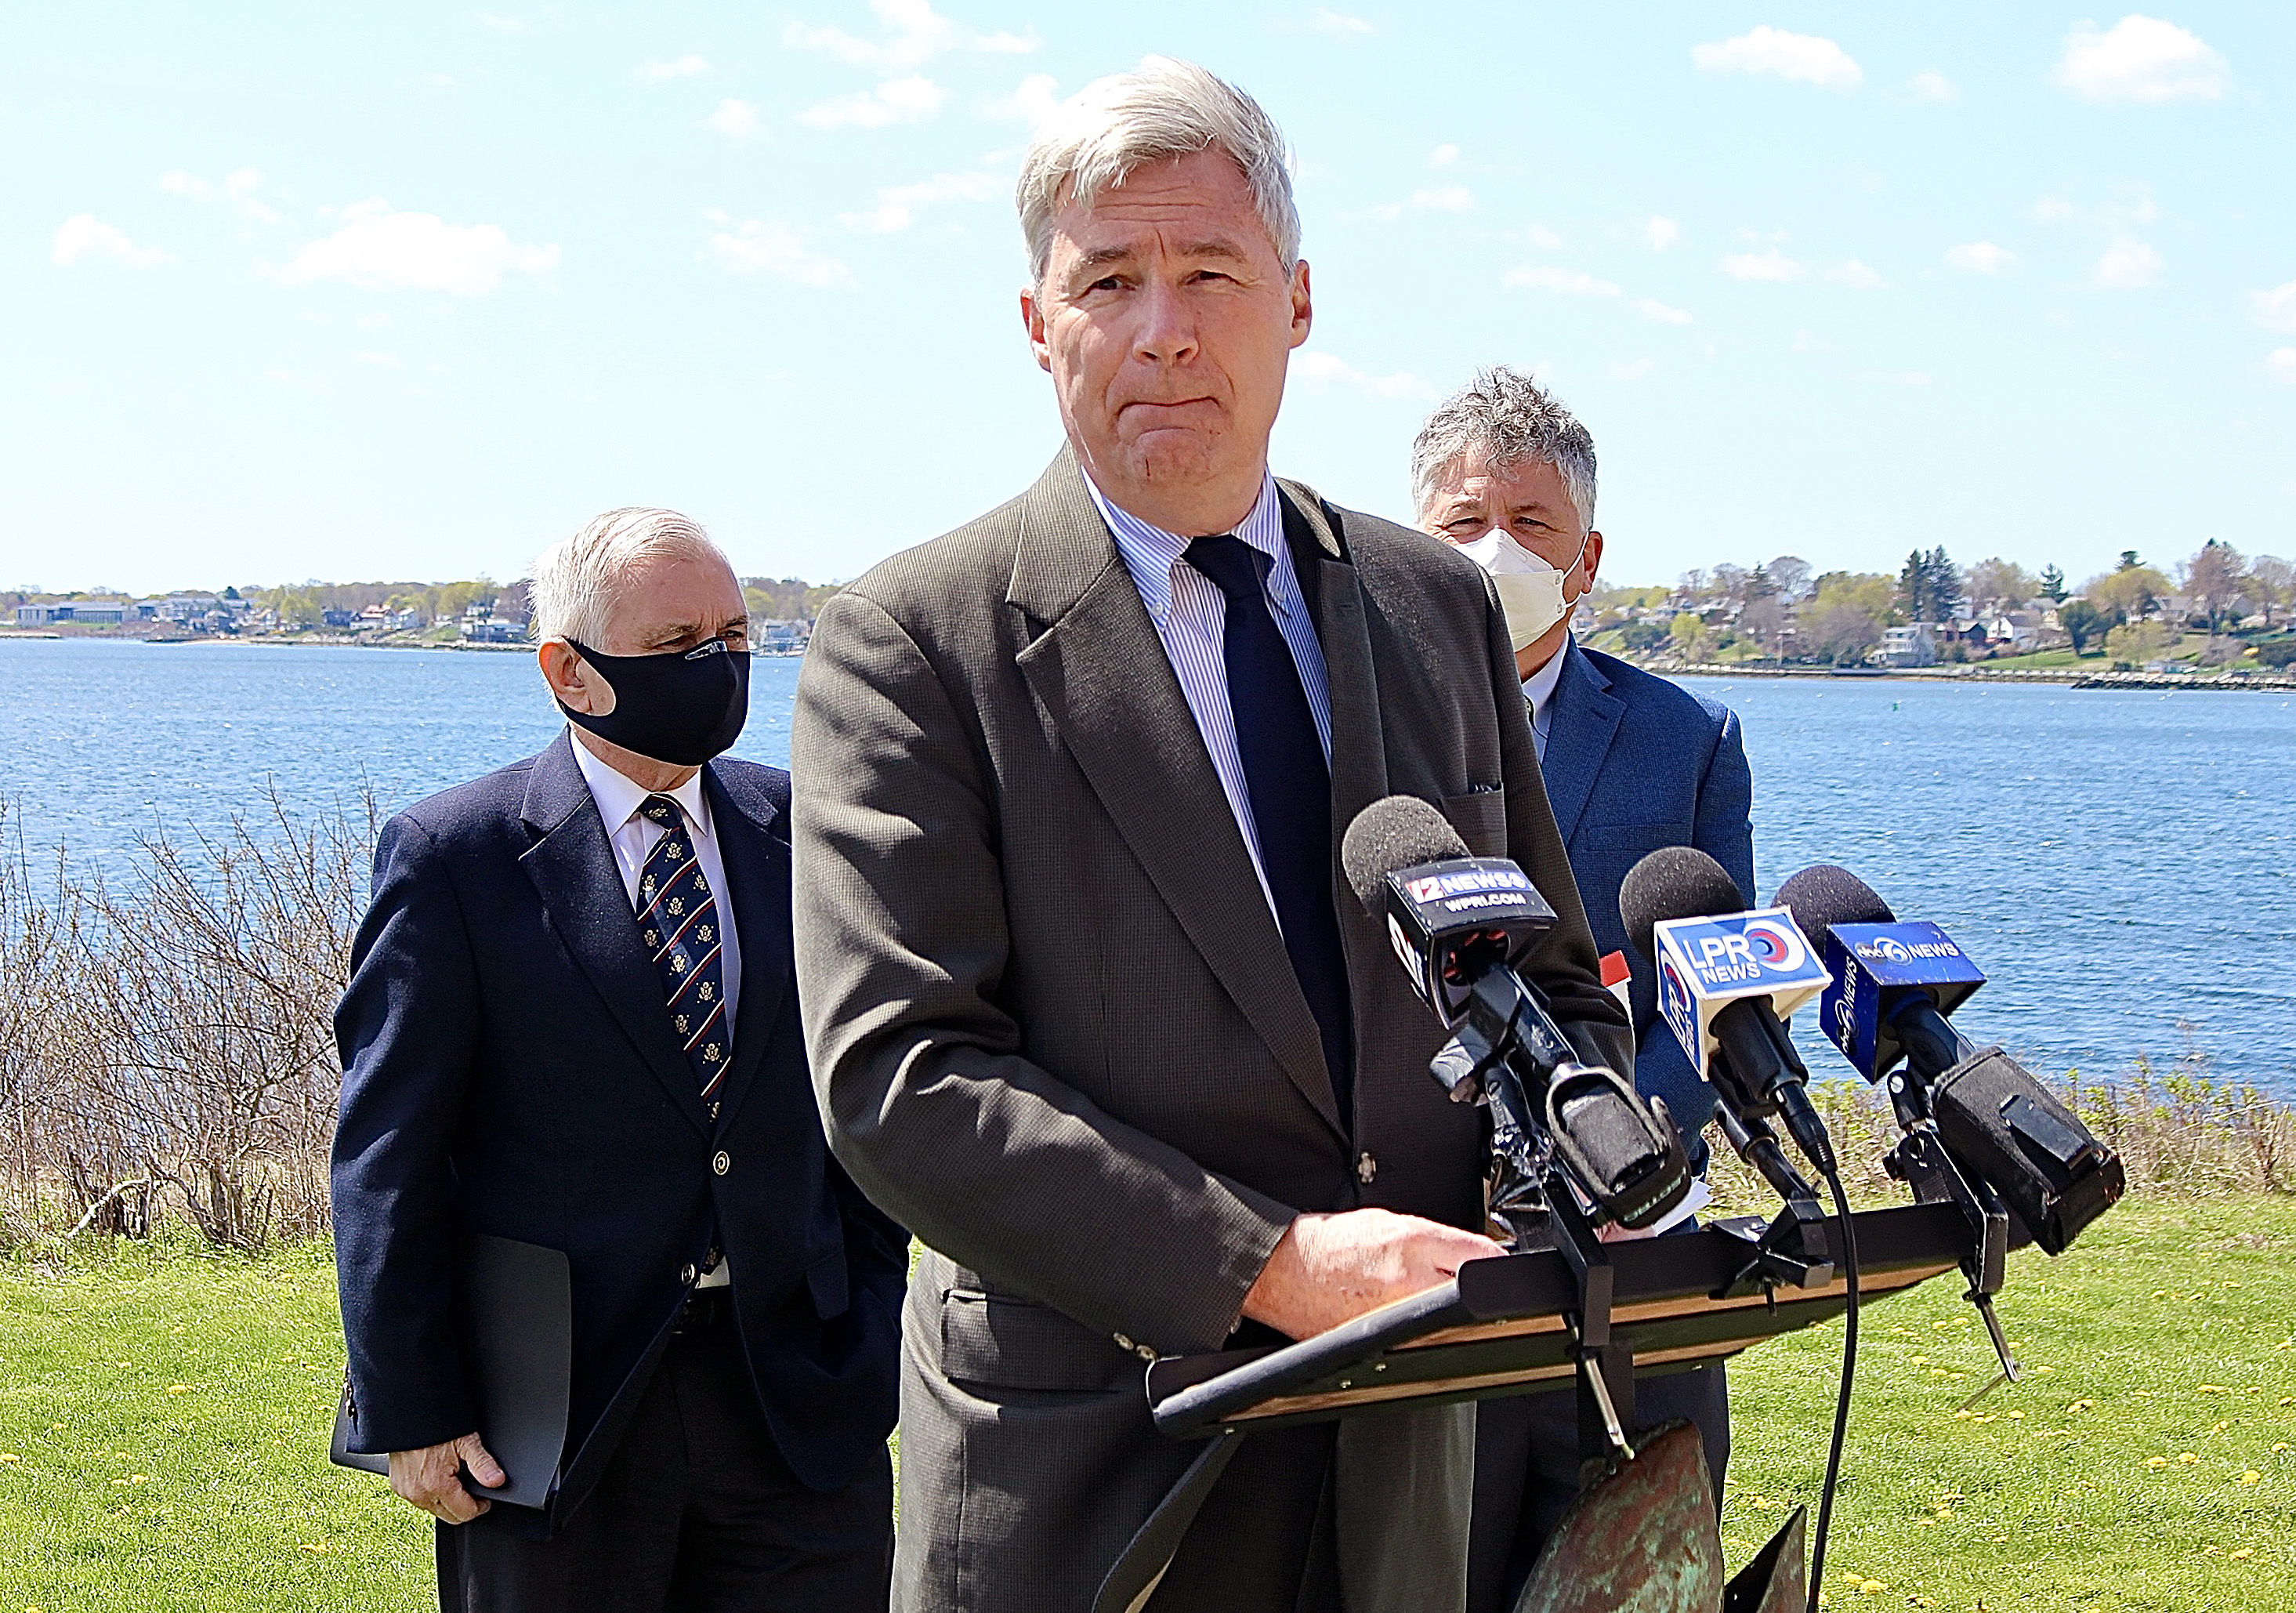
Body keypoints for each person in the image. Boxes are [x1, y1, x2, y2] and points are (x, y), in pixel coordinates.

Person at [789, 60, 1632, 1613]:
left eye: (1210, 274)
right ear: (1037, 322)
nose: (1163, 329)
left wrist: (1557, 1204)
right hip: (1101, 1480)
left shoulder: (1433, 606)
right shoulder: (912, 642)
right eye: (1108, 280)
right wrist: (1272, 1263)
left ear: (1296, 302)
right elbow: (900, 1077)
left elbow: (1558, 987)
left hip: (1418, 1460)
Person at [331, 508, 907, 1613]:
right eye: (675, 643)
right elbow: (387, 1154)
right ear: (568, 670)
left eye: (733, 637)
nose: (717, 666)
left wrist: (870, 1318)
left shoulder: (809, 831)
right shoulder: (457, 857)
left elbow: (863, 1091)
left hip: (796, 1407)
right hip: (554, 1419)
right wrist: (412, 1406)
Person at [1408, 369, 1754, 1612]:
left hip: (1641, 1257)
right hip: (1431, 1261)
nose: (1493, 549)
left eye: (1529, 522)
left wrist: (1621, 1161)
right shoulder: (1342, 727)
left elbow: (1712, 996)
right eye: (1462, 521)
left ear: (1587, 557)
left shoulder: (1688, 738)